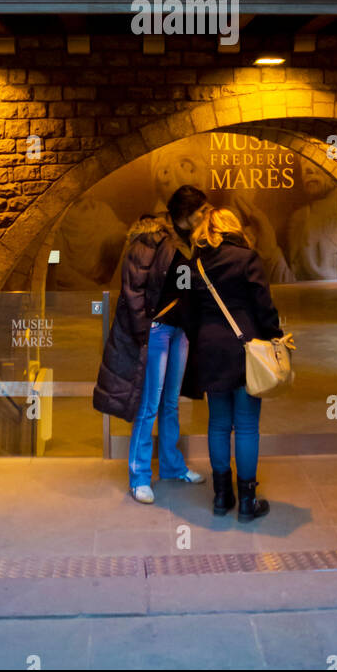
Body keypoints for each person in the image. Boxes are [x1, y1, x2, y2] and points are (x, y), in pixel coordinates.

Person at [92, 184, 209, 503]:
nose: (205, 216)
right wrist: (147, 326)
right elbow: (132, 289)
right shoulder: (151, 238)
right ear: (186, 212)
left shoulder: (192, 242)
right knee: (149, 405)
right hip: (157, 331)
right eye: (201, 211)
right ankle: (139, 476)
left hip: (179, 331)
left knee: (170, 402)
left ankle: (172, 466)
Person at [180, 207, 284, 522]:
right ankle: (248, 502)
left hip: (210, 348)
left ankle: (222, 496)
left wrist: (200, 339)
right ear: (233, 228)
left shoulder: (194, 263)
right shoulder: (246, 258)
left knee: (219, 423)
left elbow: (187, 310)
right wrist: (274, 337)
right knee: (248, 425)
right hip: (245, 346)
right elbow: (263, 305)